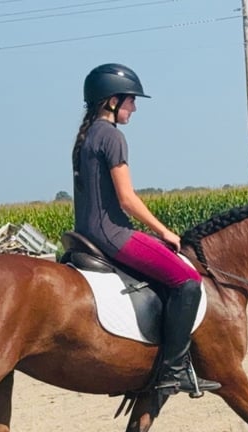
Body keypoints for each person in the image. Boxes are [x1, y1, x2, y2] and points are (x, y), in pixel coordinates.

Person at [71, 63, 221, 398]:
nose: (134, 108)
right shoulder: (112, 136)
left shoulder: (88, 135)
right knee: (188, 280)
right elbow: (126, 199)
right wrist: (164, 231)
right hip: (112, 234)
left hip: (88, 232)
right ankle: (173, 371)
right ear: (111, 101)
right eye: (130, 101)